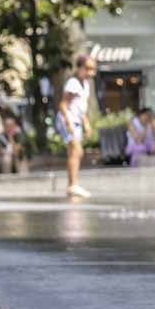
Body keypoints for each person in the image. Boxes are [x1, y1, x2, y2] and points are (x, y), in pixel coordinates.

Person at [57, 53, 98, 199]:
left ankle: (72, 184)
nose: (91, 73)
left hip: (77, 120)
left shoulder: (85, 85)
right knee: (76, 151)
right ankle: (73, 185)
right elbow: (63, 104)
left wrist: (86, 123)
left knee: (75, 152)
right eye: (87, 69)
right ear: (79, 68)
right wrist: (68, 122)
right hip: (67, 119)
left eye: (93, 69)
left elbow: (81, 108)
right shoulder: (73, 83)